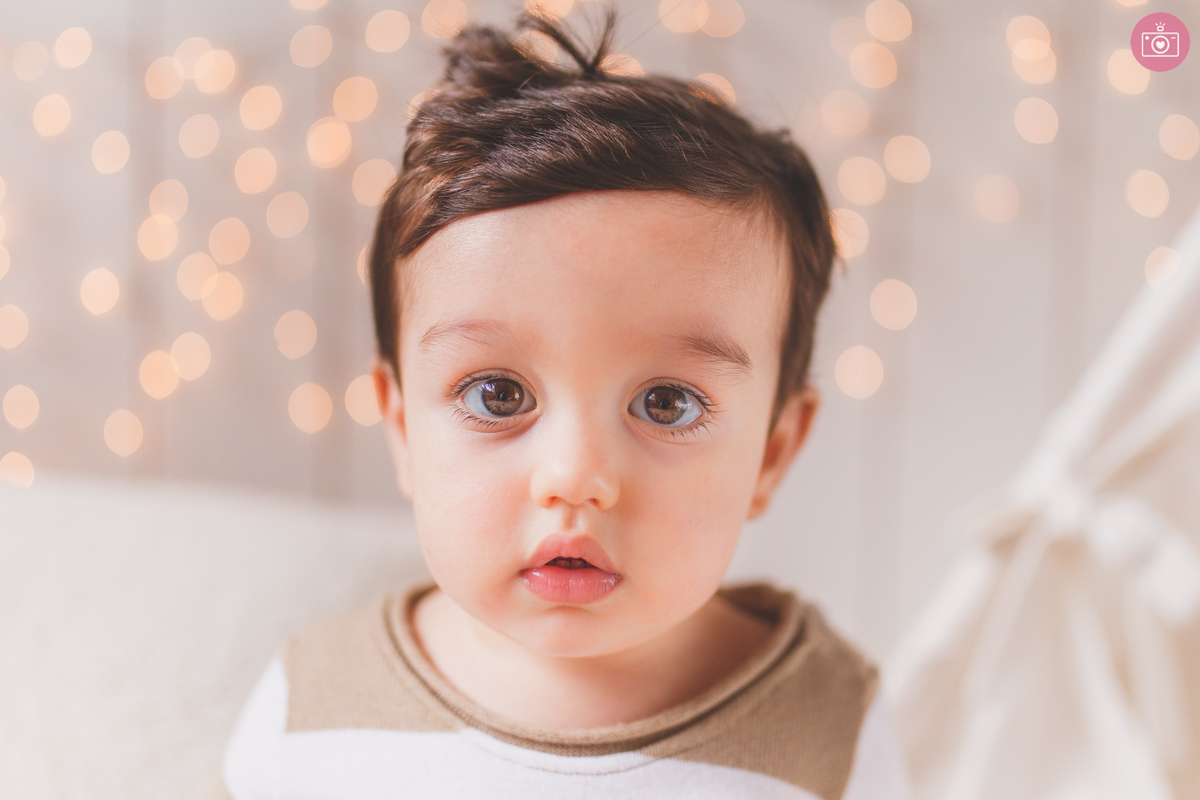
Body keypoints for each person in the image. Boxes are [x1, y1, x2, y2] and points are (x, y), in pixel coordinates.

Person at [206, 5, 910, 798]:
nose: (575, 476)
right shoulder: (313, 708)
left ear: (773, 452)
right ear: (402, 427)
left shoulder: (830, 729)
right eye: (498, 395)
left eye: (668, 402)